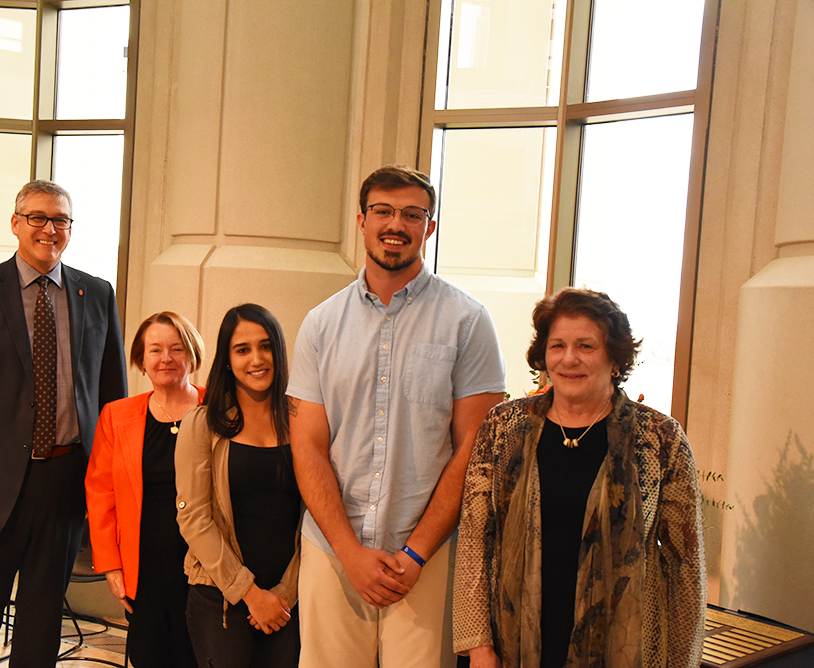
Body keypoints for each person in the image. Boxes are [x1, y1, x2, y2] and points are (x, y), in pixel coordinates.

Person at [287, 165, 507, 668]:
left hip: (428, 555)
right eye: (383, 211)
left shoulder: (468, 321)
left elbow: (474, 449)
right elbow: (308, 445)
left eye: (412, 214)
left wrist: (416, 552)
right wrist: (349, 551)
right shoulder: (321, 324)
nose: (396, 224)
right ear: (361, 220)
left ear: (429, 227)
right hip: (332, 550)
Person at [0, 180, 127, 668]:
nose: (48, 229)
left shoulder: (96, 294)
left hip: (63, 487)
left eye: (60, 220)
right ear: (16, 224)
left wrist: (109, 494)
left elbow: (112, 399)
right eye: (37, 217)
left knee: (41, 629)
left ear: (70, 230)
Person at [452, 288, 706, 668]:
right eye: (557, 346)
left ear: (615, 359)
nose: (569, 359)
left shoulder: (659, 438)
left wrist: (681, 662)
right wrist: (478, 645)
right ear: (544, 355)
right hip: (514, 642)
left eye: (586, 346)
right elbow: (475, 539)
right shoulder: (503, 426)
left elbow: (684, 565)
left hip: (623, 647)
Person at [175, 304, 302, 668]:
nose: (256, 359)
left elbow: (313, 517)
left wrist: (284, 594)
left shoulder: (302, 423)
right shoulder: (202, 424)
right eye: (242, 349)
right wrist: (249, 593)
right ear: (227, 360)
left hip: (287, 601)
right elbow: (194, 519)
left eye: (265, 346)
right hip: (221, 599)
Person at [86, 311, 206, 667]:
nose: (165, 358)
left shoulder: (218, 408)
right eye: (155, 350)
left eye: (176, 348)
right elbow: (100, 494)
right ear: (141, 360)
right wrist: (111, 566)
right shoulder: (116, 416)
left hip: (205, 566)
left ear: (192, 355)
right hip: (144, 567)